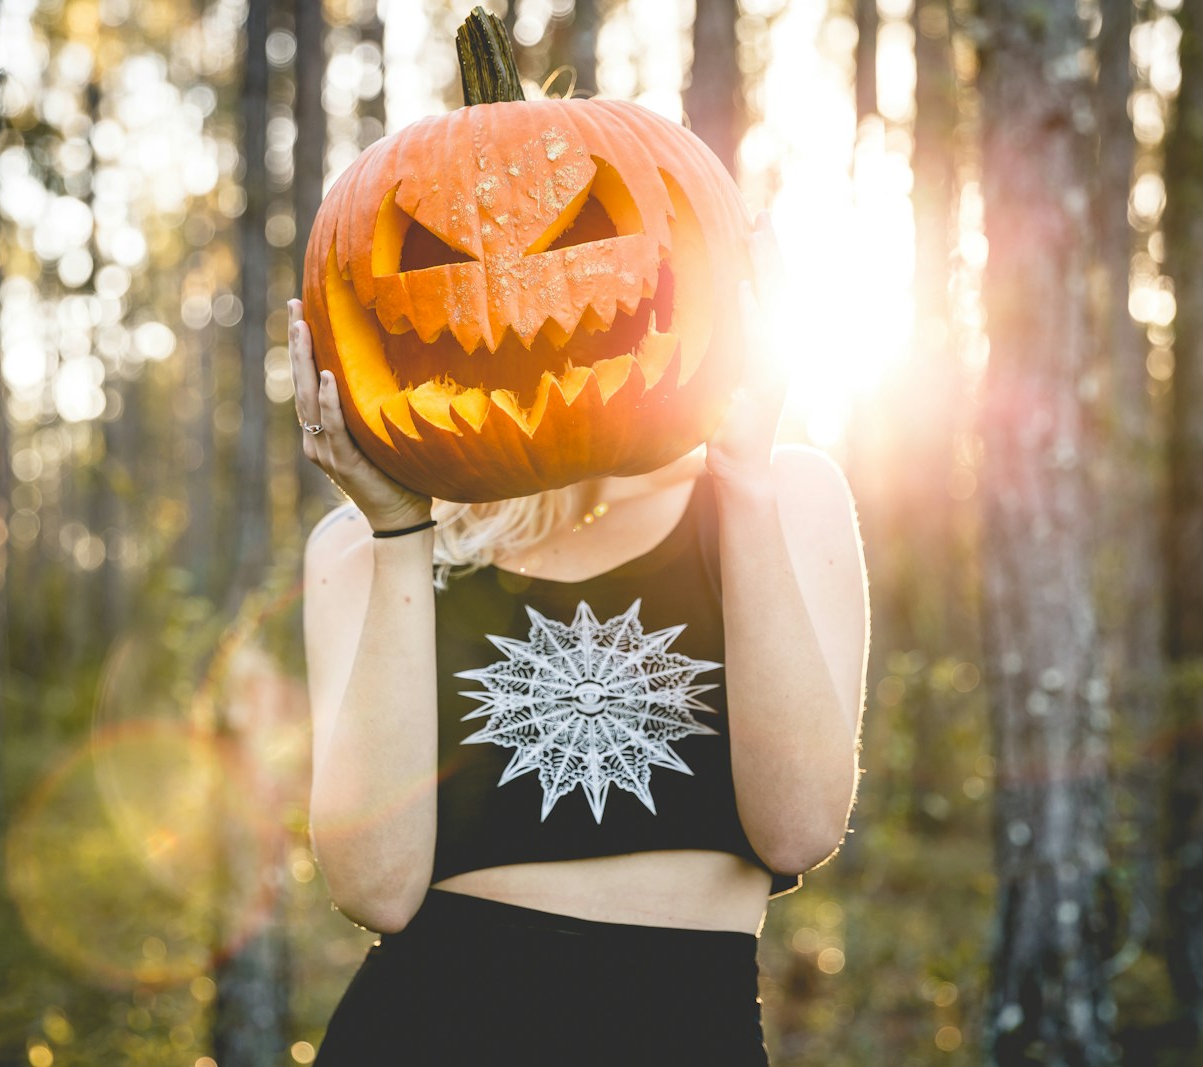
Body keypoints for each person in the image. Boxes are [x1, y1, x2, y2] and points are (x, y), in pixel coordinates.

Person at [291, 213, 869, 1066]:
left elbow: (797, 828)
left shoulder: (781, 492)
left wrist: (741, 475)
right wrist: (398, 531)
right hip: (422, 1032)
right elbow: (376, 888)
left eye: (580, 247)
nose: (544, 300)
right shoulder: (366, 542)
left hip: (685, 1034)